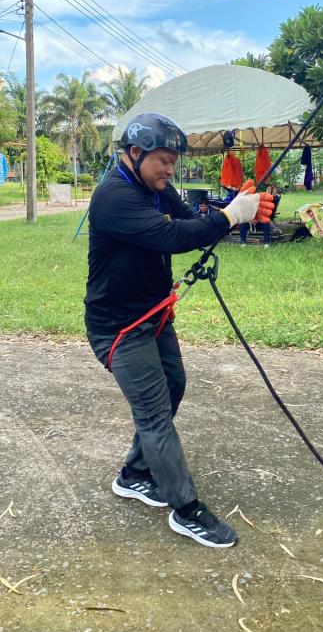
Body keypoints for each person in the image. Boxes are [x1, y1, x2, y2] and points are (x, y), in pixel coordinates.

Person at [84, 112, 273, 549]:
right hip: (118, 328)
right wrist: (230, 216)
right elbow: (172, 238)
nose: (170, 170)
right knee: (153, 414)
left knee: (173, 386)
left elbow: (190, 224)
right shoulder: (112, 196)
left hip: (153, 314)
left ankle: (134, 473)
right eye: (164, 161)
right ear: (135, 153)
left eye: (174, 162)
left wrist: (234, 211)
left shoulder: (156, 187)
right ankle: (186, 509)